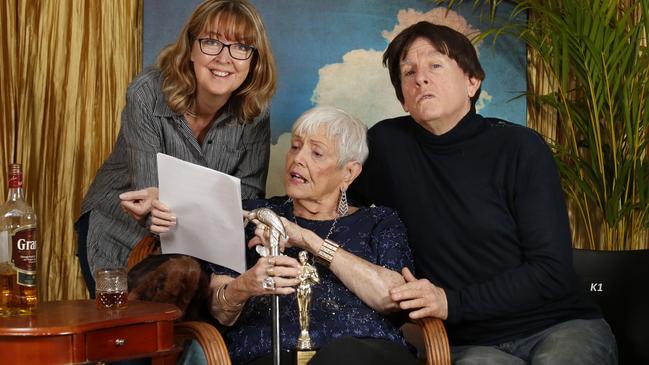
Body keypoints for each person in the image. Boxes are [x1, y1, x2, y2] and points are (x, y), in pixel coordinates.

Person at [348, 21, 617, 364]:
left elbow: (551, 269)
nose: (421, 78)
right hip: (471, 343)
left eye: (435, 65)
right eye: (408, 72)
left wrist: (451, 302)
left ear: (472, 81)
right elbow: (335, 198)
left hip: (558, 325)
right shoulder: (387, 145)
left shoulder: (519, 147)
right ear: (403, 98)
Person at [150, 106, 419, 365]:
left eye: (316, 153)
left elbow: (390, 297)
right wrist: (247, 284)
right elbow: (221, 312)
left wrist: (307, 239)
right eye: (295, 146)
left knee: (343, 356)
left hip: (366, 352)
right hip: (270, 353)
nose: (298, 159)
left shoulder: (379, 221)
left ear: (348, 173)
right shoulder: (250, 215)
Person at [75, 0, 276, 297]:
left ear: (253, 60)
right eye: (211, 42)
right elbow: (150, 191)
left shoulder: (256, 112)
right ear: (190, 48)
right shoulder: (147, 93)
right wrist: (157, 208)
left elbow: (245, 197)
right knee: (124, 330)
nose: (225, 58)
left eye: (241, 47)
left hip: (198, 245)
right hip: (120, 230)